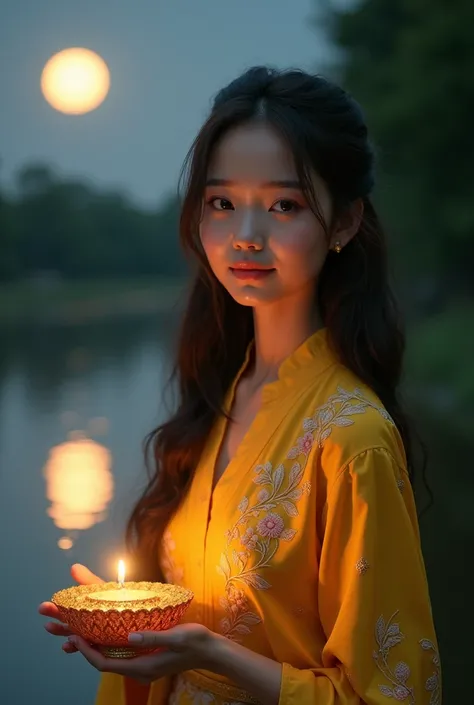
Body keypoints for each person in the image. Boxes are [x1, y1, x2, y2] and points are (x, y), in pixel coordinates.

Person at [39, 66, 440, 705]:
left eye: (285, 205)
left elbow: (392, 695)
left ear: (343, 223)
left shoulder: (352, 438)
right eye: (222, 203)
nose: (246, 236)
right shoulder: (223, 393)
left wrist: (209, 653)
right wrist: (132, 630)